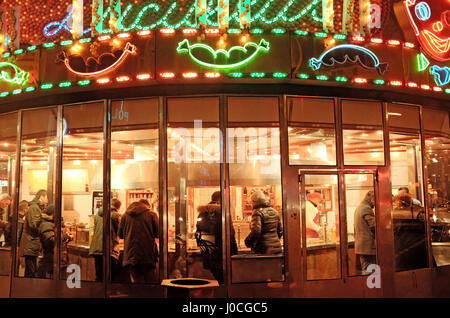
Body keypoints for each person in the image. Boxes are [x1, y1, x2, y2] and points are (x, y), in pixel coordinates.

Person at [195, 191, 238, 284]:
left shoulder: (202, 214)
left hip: (208, 254)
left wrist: (203, 249)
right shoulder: (223, 214)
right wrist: (234, 252)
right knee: (224, 283)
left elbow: (198, 234)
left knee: (215, 281)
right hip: (221, 255)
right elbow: (230, 234)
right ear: (221, 200)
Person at [119, 201, 159, 284]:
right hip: (148, 253)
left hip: (131, 255)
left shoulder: (125, 216)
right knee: (150, 282)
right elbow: (158, 233)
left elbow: (120, 235)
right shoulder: (152, 214)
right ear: (147, 206)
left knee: (136, 283)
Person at [89, 198, 122, 282]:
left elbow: (95, 230)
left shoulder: (97, 215)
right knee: (111, 277)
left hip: (97, 248)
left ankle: (98, 293)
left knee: (99, 276)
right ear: (118, 207)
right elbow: (120, 232)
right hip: (109, 249)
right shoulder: (115, 215)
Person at [244, 190, 283, 255]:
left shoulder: (257, 212)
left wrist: (247, 242)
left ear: (254, 201)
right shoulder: (275, 212)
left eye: (251, 202)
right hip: (277, 250)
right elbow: (280, 231)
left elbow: (256, 232)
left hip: (263, 250)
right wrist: (274, 242)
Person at [21, 189, 48, 278]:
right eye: (46, 197)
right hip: (30, 243)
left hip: (31, 243)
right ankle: (27, 290)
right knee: (30, 272)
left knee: (31, 270)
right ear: (42, 197)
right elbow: (34, 224)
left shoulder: (35, 207)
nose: (47, 199)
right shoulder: (35, 208)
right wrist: (44, 228)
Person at [354, 190, 377, 275]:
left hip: (362, 246)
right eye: (376, 201)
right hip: (368, 246)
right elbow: (374, 225)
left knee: (367, 270)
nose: (375, 205)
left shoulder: (360, 207)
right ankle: (370, 288)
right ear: (372, 199)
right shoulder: (366, 208)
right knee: (369, 272)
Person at [37, 204, 55, 278]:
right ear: (53, 214)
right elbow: (50, 240)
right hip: (47, 258)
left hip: (47, 257)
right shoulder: (46, 224)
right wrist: (63, 236)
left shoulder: (48, 222)